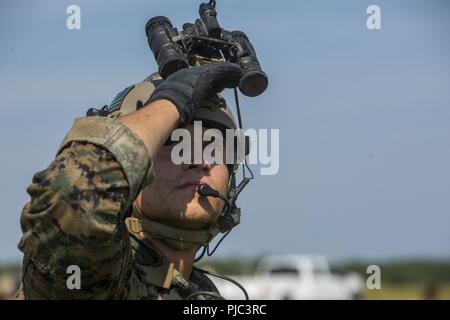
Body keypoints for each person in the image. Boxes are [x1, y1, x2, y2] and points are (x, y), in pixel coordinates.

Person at [16, 62, 245, 299]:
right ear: (133, 164)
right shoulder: (98, 282)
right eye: (172, 141)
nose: (199, 161)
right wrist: (170, 102)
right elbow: (74, 197)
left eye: (213, 146)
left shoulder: (201, 294)